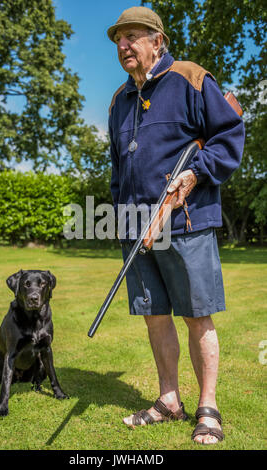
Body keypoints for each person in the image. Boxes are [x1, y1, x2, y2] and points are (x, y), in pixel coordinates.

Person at [107, 6, 245, 445]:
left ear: (157, 41)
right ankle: (169, 400)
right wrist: (121, 212)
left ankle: (208, 407)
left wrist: (194, 173)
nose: (124, 46)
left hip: (185, 222)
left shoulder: (191, 78)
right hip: (136, 228)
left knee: (196, 316)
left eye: (132, 36)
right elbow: (118, 167)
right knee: (154, 317)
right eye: (118, 40)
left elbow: (228, 135)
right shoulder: (118, 100)